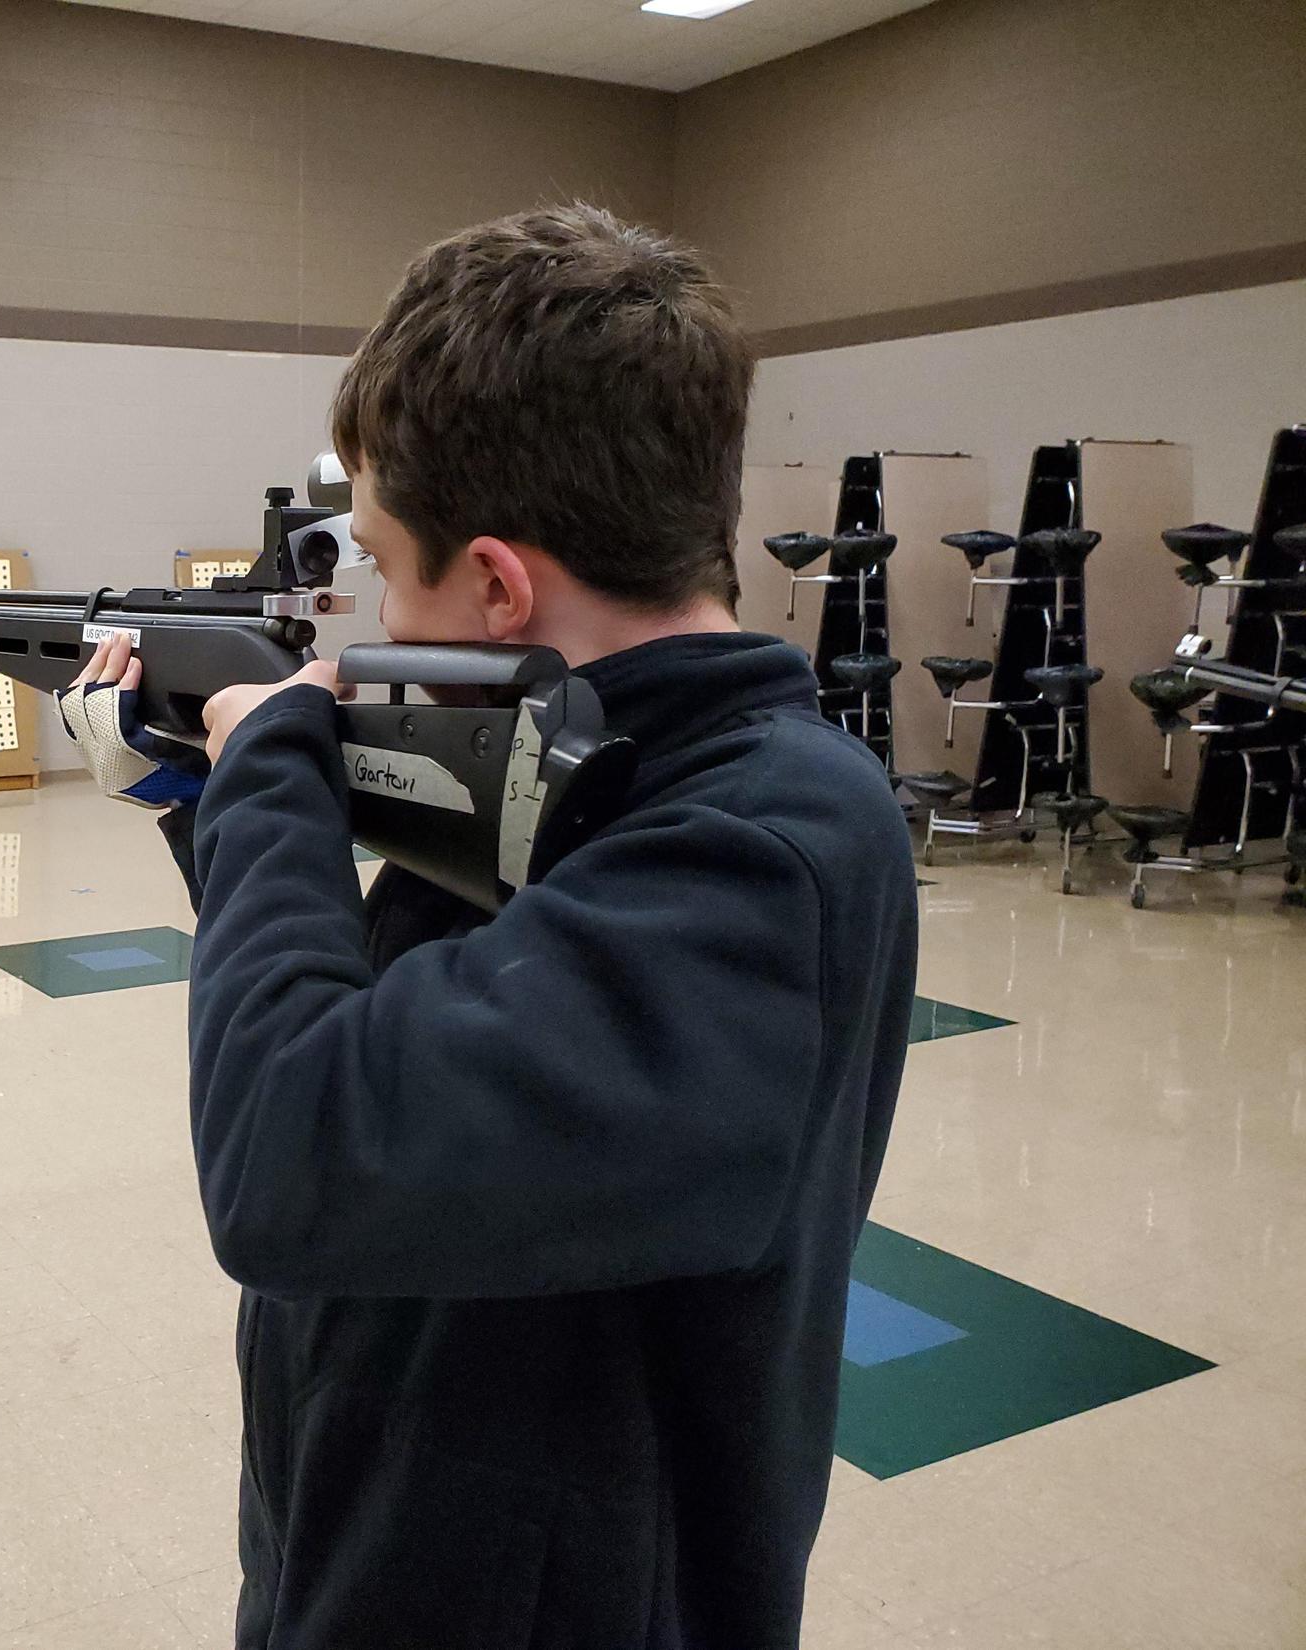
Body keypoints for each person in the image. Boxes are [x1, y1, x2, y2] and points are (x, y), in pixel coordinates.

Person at [58, 203, 917, 1650]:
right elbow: (408, 1021)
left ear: (502, 582)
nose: (370, 613)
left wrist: (273, 762)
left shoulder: (762, 850)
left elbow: (290, 1154)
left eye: (390, 568)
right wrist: (200, 801)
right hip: (387, 1530)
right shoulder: (568, 761)